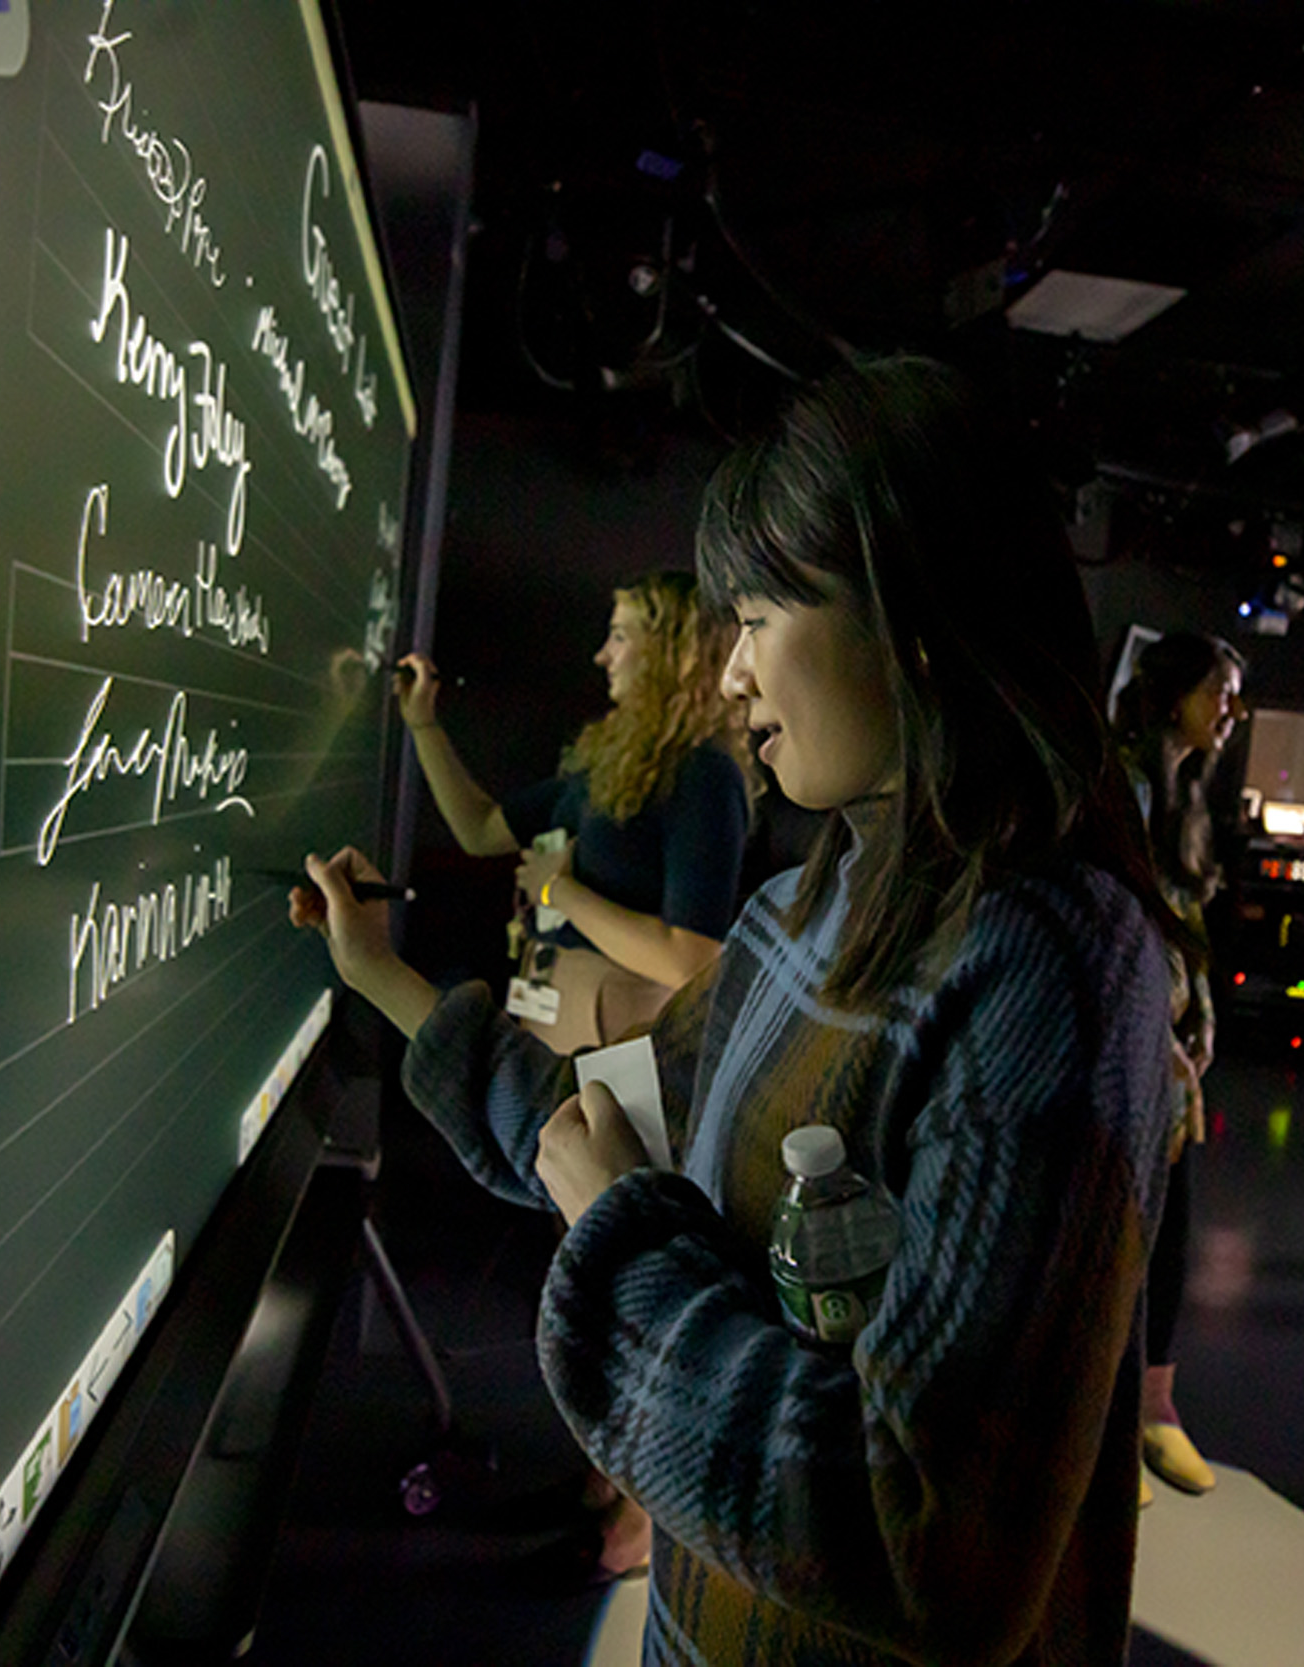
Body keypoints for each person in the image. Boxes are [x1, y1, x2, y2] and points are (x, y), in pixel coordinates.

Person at [292, 355, 1184, 1666]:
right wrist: (383, 975)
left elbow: (930, 1550)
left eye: (760, 620)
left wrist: (623, 1236)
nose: (733, 680)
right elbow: (600, 1127)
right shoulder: (795, 912)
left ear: (909, 616)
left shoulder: (1043, 965)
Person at [395, 568, 752, 1056]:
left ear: (675, 653)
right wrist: (423, 726)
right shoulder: (609, 763)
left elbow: (691, 959)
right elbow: (479, 830)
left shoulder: (705, 775)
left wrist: (556, 890)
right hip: (548, 1005)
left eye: (620, 636)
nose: (601, 655)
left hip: (618, 1027)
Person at [1111, 631, 1248, 1506]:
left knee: (1172, 1222)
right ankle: (1116, 1413)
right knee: (1123, 1227)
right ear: (1172, 695)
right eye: (1221, 691)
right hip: (1125, 1043)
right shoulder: (1122, 782)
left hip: (1172, 1052)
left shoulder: (1185, 786)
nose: (1232, 710)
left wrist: (1199, 1022)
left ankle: (1154, 1407)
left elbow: (1184, 917)